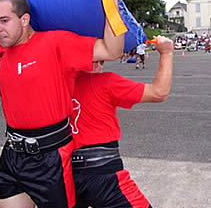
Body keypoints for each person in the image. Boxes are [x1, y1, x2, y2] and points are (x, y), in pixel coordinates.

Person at [0, 0, 124, 208]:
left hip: (51, 159)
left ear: (25, 19)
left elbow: (112, 50)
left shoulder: (56, 44)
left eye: (4, 20)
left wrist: (111, 1)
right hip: (12, 156)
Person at [70, 35, 174, 208]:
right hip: (103, 173)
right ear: (94, 60)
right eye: (100, 61)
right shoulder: (104, 82)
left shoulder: (56, 83)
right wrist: (166, 53)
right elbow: (159, 92)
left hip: (64, 173)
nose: (100, 66)